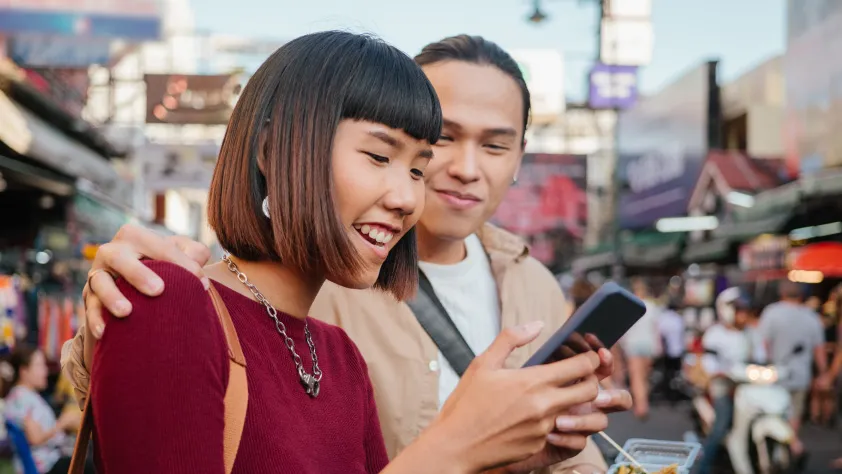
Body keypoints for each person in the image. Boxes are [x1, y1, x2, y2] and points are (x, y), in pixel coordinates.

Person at [62, 34, 631, 474]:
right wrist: (455, 445)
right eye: (379, 157)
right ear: (270, 148)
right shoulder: (171, 301)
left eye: (416, 167)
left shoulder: (338, 358)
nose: (408, 197)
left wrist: (496, 455)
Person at [757, 280, 826, 463]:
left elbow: (763, 344)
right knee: (794, 414)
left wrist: (765, 363)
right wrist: (823, 373)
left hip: (776, 374)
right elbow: (819, 349)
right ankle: (790, 445)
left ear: (782, 293)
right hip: (801, 375)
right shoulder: (811, 316)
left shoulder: (771, 313)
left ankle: (787, 448)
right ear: (801, 295)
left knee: (777, 412)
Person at [3, 345, 91, 474]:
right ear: (24, 371)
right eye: (39, 366)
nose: (45, 371)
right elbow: (35, 438)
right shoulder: (21, 399)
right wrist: (62, 423)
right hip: (46, 466)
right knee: (92, 465)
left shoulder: (25, 396)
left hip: (50, 460)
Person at [695, 287, 755, 474]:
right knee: (720, 426)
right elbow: (708, 363)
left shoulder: (750, 333)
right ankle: (702, 469)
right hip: (723, 383)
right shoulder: (715, 333)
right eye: (740, 310)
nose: (743, 315)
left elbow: (761, 356)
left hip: (748, 383)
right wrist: (720, 372)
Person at [617, 277, 661, 419]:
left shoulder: (629, 305)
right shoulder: (652, 306)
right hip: (649, 344)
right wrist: (658, 345)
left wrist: (622, 345)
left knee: (637, 377)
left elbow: (624, 328)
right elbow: (656, 328)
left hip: (633, 344)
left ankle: (641, 406)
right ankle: (643, 402)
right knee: (644, 376)